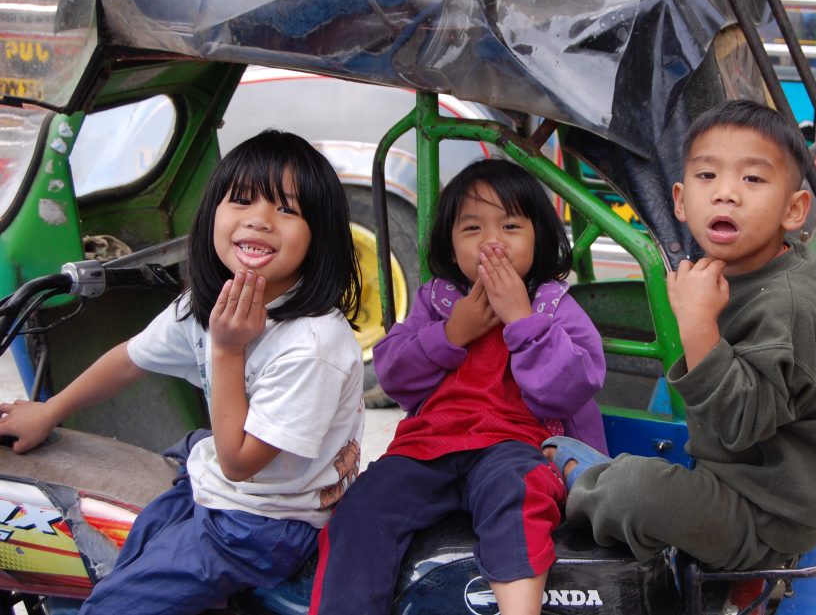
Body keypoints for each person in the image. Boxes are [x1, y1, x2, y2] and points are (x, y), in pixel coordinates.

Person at [0, 130, 365, 613]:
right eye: (241, 201)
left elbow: (239, 464)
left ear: (320, 236)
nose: (259, 220)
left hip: (264, 523)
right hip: (213, 475)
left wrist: (228, 352)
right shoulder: (206, 302)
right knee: (118, 561)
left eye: (287, 210)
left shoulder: (313, 346)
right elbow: (131, 358)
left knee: (111, 607)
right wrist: (50, 411)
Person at [544, 99, 816, 571]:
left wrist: (697, 325)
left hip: (764, 517)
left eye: (752, 179)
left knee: (635, 491)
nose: (726, 193)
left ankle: (580, 481)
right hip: (752, 479)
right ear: (680, 199)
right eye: (707, 177)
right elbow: (809, 272)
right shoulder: (768, 258)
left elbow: (741, 425)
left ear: (794, 209)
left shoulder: (786, 309)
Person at [310, 158, 606, 615]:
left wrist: (522, 320)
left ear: (539, 237)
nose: (492, 241)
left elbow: (570, 388)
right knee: (362, 509)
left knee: (519, 492)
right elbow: (394, 373)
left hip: (517, 446)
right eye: (472, 229)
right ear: (450, 246)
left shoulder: (552, 305)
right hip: (429, 448)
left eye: (510, 225)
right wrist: (452, 333)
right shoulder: (437, 300)